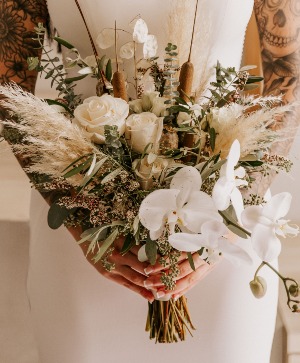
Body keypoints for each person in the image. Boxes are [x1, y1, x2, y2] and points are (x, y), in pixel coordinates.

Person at [0, 0, 299, 362]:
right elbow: (9, 84)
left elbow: (288, 79)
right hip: (86, 224)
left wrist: (224, 227)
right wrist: (84, 228)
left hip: (226, 222)